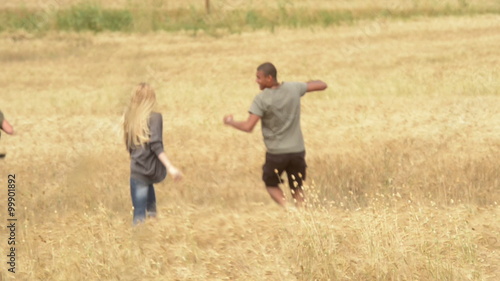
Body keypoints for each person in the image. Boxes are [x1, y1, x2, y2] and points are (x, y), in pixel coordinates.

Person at [223, 62, 327, 208]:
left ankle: (289, 209)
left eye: (259, 78)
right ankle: (303, 216)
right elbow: (322, 85)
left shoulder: (261, 99)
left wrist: (230, 122)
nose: (256, 81)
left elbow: (248, 127)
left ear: (269, 78)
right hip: (297, 150)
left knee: (270, 183)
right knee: (297, 186)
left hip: (276, 153)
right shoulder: (293, 88)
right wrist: (305, 83)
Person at [123, 83, 182, 224]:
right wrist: (170, 167)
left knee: (141, 215)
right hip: (149, 172)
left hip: (138, 172)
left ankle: (143, 242)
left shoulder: (130, 118)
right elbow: (156, 145)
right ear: (151, 98)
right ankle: (141, 243)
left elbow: (129, 146)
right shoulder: (155, 117)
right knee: (149, 216)